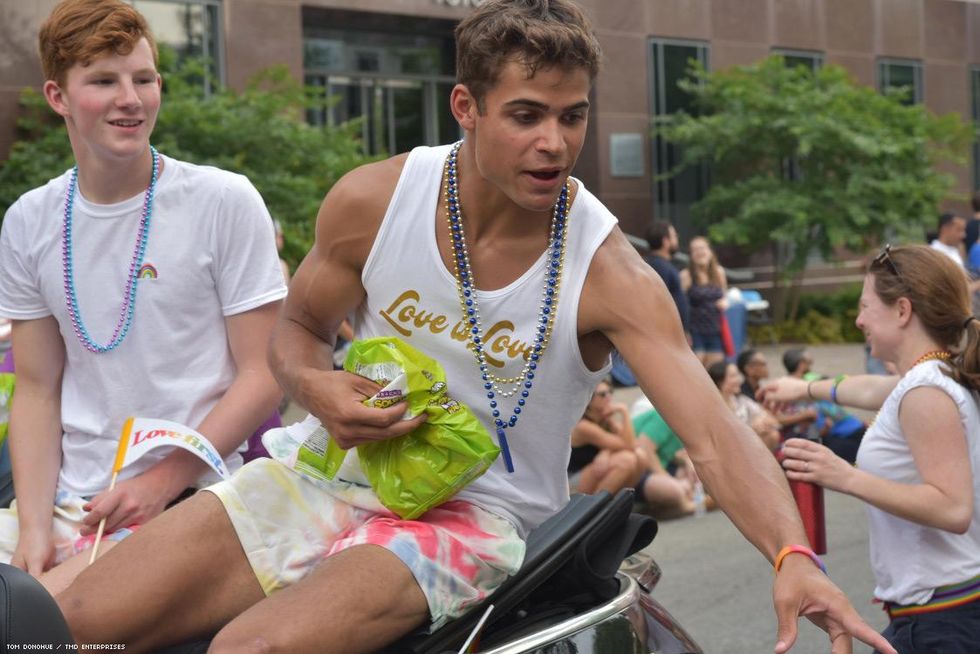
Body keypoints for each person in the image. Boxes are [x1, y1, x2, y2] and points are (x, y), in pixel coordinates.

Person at [59, 2, 894, 653]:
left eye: (572, 117)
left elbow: (711, 433)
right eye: (526, 114)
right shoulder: (374, 201)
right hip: (323, 473)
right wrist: (317, 386)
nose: (554, 142)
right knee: (71, 622)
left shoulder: (610, 273)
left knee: (256, 646)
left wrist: (794, 557)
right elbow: (296, 330)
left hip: (470, 519)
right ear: (466, 104)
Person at [0, 0, 285, 595]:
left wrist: (161, 482)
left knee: (30, 625)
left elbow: (266, 374)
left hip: (197, 498)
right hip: (68, 501)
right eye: (104, 80)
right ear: (58, 97)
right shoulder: (30, 220)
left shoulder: (223, 200)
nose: (131, 99)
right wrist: (32, 530)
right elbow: (35, 388)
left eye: (144, 78)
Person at [762, 244, 980, 653]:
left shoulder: (926, 390)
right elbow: (867, 388)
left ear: (902, 310)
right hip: (937, 611)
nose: (859, 319)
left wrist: (845, 477)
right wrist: (804, 388)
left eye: (865, 307)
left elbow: (952, 508)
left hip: (943, 617)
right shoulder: (932, 377)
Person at [708, 361, 781, 451]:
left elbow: (773, 420)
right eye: (733, 376)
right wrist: (751, 430)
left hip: (745, 449)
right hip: (725, 451)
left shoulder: (741, 401)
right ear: (719, 381)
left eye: (737, 375)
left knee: (772, 434)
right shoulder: (711, 407)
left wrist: (762, 422)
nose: (739, 379)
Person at [680, 235, 728, 367]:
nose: (699, 252)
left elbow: (724, 295)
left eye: (702, 248)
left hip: (715, 329)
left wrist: (725, 302)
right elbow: (679, 304)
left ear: (710, 251)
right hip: (694, 331)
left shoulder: (719, 272)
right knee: (697, 370)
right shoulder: (686, 275)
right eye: (695, 250)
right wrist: (683, 331)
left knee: (716, 370)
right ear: (691, 255)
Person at [645, 221, 689, 339]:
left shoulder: (662, 265)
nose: (677, 239)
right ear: (666, 241)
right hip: (667, 334)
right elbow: (660, 301)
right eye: (674, 236)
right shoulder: (659, 267)